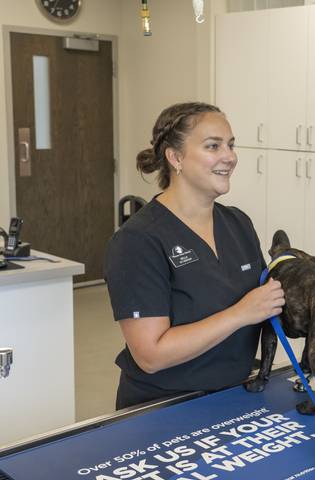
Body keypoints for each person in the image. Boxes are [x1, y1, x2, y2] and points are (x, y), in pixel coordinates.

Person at [105, 102, 285, 409]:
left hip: (235, 394)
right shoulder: (138, 240)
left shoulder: (238, 223)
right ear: (175, 158)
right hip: (164, 408)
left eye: (230, 145)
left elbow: (267, 302)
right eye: (213, 146)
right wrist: (240, 313)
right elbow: (150, 355)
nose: (229, 157)